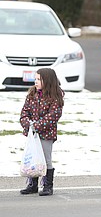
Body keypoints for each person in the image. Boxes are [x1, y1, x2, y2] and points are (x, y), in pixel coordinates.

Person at [20, 68, 64, 196]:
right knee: (33, 158)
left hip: (46, 134)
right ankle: (32, 184)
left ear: (48, 81)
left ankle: (47, 185)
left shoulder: (55, 97)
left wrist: (36, 126)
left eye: (39, 79)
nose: (36, 81)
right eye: (35, 79)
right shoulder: (32, 94)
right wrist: (27, 124)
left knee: (46, 159)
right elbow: (24, 112)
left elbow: (53, 116)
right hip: (32, 134)